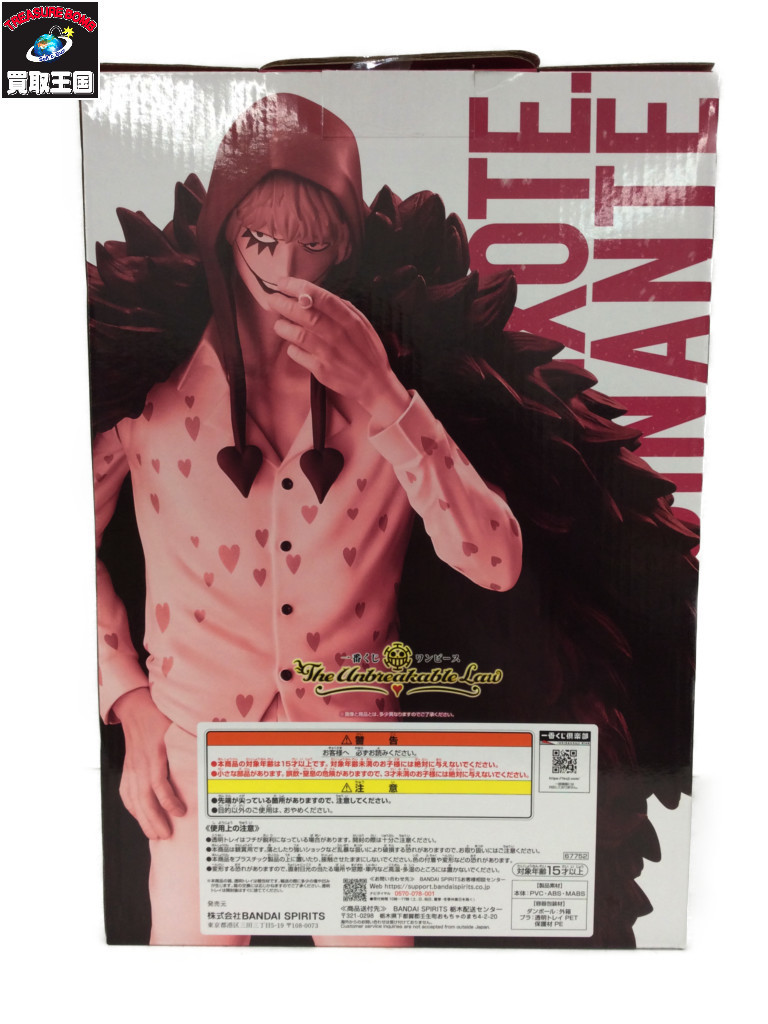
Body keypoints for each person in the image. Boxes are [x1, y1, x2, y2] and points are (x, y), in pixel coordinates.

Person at [93, 93, 523, 946]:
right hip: (193, 758)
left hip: (360, 764)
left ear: (345, 248)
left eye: (313, 245)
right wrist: (129, 700)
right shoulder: (145, 404)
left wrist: (383, 396)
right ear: (225, 234)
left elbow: (496, 561)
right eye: (261, 239)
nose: (286, 268)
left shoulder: (394, 403)